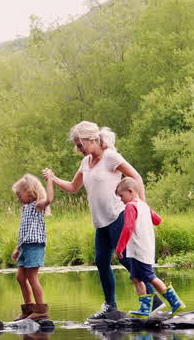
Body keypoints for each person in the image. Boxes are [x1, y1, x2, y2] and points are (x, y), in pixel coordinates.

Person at [42, 121, 151, 321]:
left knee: (129, 262)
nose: (78, 149)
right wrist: (53, 178)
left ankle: (154, 303)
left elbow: (136, 177)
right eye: (76, 145)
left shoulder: (110, 156)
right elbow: (73, 187)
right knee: (101, 262)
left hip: (117, 217)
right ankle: (110, 306)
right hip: (100, 223)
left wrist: (141, 207)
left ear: (91, 140)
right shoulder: (86, 163)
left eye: (79, 145)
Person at [113, 178, 183, 317]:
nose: (121, 199)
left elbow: (128, 227)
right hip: (144, 248)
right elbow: (158, 220)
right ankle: (145, 309)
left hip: (139, 249)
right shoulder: (143, 206)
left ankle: (175, 302)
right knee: (135, 278)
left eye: (121, 196)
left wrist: (120, 248)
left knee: (150, 277)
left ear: (130, 192)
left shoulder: (131, 206)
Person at [10, 173, 54, 322]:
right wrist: (17, 248)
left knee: (31, 276)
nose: (18, 198)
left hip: (35, 246)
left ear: (30, 192)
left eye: (19, 194)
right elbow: (24, 230)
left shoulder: (37, 206)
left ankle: (41, 309)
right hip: (24, 247)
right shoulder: (25, 208)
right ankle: (28, 309)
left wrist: (50, 181)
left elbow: (49, 199)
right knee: (20, 277)